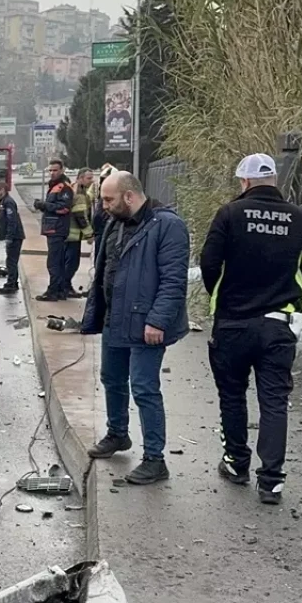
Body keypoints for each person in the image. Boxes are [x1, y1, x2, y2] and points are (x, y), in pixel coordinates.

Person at [199, 154, 302, 504]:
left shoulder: (229, 214)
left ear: (243, 183)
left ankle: (236, 463)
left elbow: (209, 262)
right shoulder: (300, 217)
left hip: (232, 322)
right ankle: (272, 481)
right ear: (274, 181)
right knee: (274, 401)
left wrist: (222, 293)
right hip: (278, 324)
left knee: (232, 395)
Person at [81, 171, 190, 485]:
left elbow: (173, 281)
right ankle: (118, 434)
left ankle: (155, 459)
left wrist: (157, 320)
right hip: (116, 319)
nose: (103, 206)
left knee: (144, 388)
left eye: (108, 199)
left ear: (129, 196)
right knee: (111, 379)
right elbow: (107, 269)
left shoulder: (168, 226)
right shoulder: (116, 223)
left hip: (147, 324)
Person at [32, 159, 75, 301]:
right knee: (58, 262)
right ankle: (61, 290)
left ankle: (53, 292)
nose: (52, 173)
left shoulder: (64, 187)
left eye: (55, 170)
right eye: (50, 170)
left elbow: (64, 208)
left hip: (57, 230)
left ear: (62, 170)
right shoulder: (55, 186)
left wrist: (43, 205)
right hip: (53, 229)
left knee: (54, 262)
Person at [63, 169, 96, 297]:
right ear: (80, 178)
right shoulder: (79, 195)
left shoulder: (73, 189)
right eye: (89, 178)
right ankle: (66, 287)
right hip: (73, 235)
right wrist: (89, 234)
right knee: (72, 263)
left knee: (66, 262)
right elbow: (80, 216)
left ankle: (64, 286)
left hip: (66, 234)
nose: (91, 180)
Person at [0, 179, 23, 295]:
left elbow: (12, 221)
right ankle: (12, 282)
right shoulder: (2, 201)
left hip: (15, 236)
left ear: (2, 190)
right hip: (12, 236)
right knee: (11, 260)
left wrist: (10, 237)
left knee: (11, 261)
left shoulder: (8, 202)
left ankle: (11, 284)